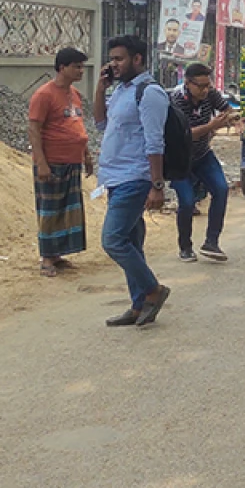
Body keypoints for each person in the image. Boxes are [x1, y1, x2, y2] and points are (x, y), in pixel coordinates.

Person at [92, 35, 171, 327]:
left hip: (135, 178)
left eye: (119, 59)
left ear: (137, 59)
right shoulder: (123, 91)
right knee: (131, 242)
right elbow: (100, 123)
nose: (114, 64)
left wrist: (157, 185)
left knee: (113, 240)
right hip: (115, 178)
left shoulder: (149, 93)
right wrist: (101, 87)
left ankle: (153, 290)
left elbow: (155, 142)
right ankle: (138, 305)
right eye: (111, 59)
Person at [28, 47, 93, 277]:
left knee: (68, 209)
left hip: (72, 161)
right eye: (76, 66)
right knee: (50, 209)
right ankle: (46, 257)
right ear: (62, 67)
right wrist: (41, 163)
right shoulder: (44, 95)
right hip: (52, 162)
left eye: (81, 66)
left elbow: (78, 126)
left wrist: (86, 154)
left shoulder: (74, 94)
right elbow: (34, 130)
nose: (81, 71)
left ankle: (58, 254)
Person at [169, 63, 235, 263]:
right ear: (187, 83)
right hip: (179, 159)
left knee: (221, 189)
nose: (205, 90)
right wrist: (211, 126)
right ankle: (185, 246)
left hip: (203, 154)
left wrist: (230, 118)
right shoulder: (175, 102)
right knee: (187, 202)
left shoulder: (210, 94)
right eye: (200, 86)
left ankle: (211, 241)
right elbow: (185, 135)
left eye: (208, 85)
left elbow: (227, 109)